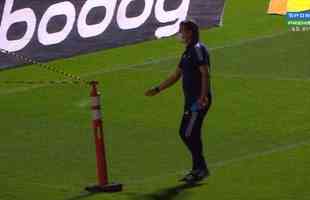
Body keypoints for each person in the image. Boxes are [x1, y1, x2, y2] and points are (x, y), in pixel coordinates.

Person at [145, 20, 212, 183]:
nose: (180, 34)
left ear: (190, 32)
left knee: (188, 133)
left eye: (182, 30)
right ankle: (199, 169)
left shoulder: (197, 50)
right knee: (189, 133)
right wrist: (158, 89)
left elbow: (205, 73)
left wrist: (203, 97)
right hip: (190, 100)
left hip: (198, 101)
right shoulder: (187, 52)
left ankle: (200, 168)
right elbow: (176, 75)